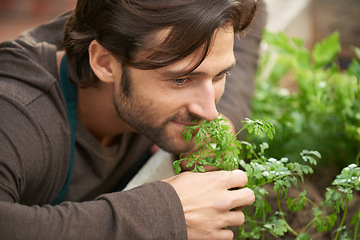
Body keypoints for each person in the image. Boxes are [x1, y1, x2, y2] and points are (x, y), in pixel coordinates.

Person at [0, 0, 266, 239]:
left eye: (219, 76)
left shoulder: (150, 44)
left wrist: (228, 118)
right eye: (181, 79)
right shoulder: (17, 114)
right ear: (104, 63)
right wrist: (163, 214)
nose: (209, 112)